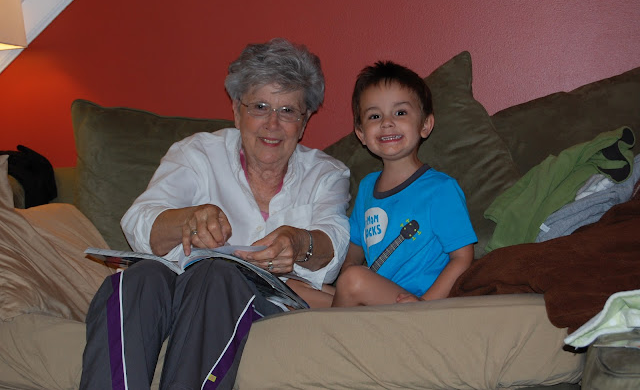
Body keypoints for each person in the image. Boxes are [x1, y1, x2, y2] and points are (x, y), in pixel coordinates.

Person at [80, 38, 350, 390]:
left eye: (287, 111)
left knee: (216, 273)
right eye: (260, 107)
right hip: (175, 298)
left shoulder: (326, 174)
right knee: (138, 279)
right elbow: (139, 220)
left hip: (259, 305)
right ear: (237, 110)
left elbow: (334, 244)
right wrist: (188, 219)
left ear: (304, 121)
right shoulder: (198, 154)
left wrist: (299, 242)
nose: (272, 123)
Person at [290, 61, 476, 308]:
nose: (387, 122)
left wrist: (425, 304)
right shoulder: (368, 186)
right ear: (361, 133)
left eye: (400, 113)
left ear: (425, 125)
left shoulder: (440, 189)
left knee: (355, 280)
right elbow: (356, 245)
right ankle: (346, 312)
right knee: (293, 286)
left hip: (417, 304)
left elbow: (462, 257)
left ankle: (338, 325)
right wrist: (348, 269)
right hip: (374, 297)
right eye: (375, 116)